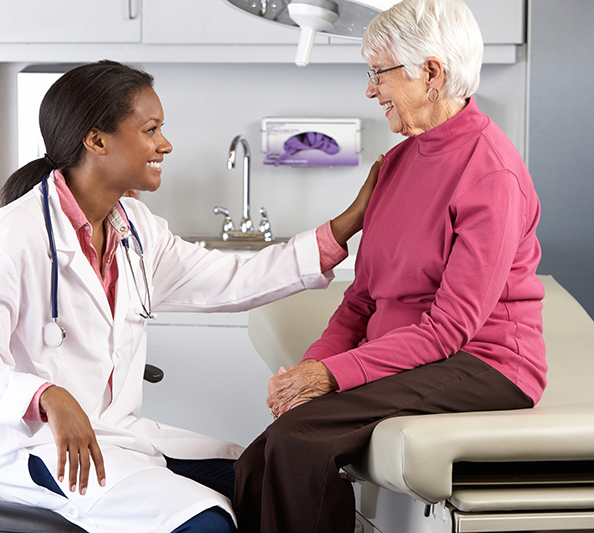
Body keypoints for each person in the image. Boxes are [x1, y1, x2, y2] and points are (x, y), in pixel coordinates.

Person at [0, 60, 379, 533]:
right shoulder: (12, 236)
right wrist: (48, 396)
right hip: (42, 448)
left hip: (120, 437)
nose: (164, 144)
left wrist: (347, 223)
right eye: (150, 129)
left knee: (272, 482)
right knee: (207, 524)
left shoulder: (135, 229)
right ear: (96, 140)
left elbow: (235, 278)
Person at [232, 1, 545, 532]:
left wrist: (330, 375)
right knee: (254, 461)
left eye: (378, 73)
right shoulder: (398, 162)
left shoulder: (491, 173)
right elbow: (361, 299)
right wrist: (312, 369)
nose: (371, 90)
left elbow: (450, 329)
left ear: (431, 73)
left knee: (300, 442)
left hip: (484, 364)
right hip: (411, 356)